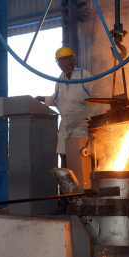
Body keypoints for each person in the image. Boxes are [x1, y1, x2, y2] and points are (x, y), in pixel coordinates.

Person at [35, 46, 95, 214]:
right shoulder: (60, 80)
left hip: (81, 125)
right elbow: (57, 100)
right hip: (65, 126)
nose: (65, 64)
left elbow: (96, 96)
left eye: (68, 60)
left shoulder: (84, 76)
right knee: (65, 167)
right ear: (58, 63)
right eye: (61, 61)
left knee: (81, 165)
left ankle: (83, 202)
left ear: (73, 59)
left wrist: (89, 119)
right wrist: (43, 99)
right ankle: (64, 204)